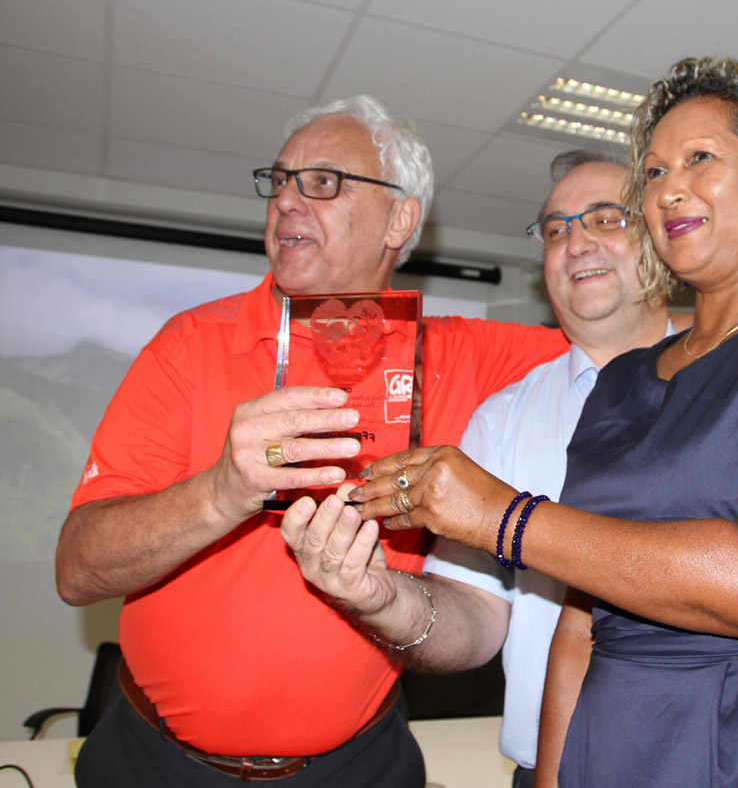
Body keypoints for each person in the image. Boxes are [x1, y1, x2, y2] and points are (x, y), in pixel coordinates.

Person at [322, 57, 738, 787]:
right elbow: (581, 624)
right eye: (652, 172)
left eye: (700, 159)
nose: (668, 187)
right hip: (629, 749)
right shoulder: (623, 386)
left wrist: (499, 515)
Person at [56, 95, 568, 787]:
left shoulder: (464, 356)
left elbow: (632, 343)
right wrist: (221, 490)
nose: (288, 201)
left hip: (360, 764)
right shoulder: (189, 345)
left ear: (400, 217)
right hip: (157, 764)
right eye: (281, 180)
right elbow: (78, 570)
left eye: (323, 182)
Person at [280, 149, 687, 787]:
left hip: (726, 758)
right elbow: (474, 621)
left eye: (606, 219)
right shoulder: (501, 419)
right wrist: (377, 597)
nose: (576, 242)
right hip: (548, 768)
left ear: (664, 239)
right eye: (556, 229)